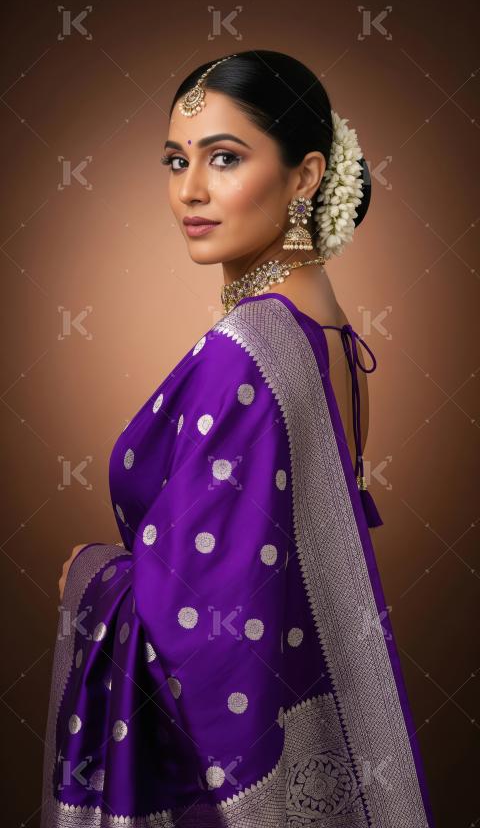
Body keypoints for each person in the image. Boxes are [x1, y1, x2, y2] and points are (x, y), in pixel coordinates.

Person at [41, 50, 436, 827]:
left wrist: (91, 580)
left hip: (223, 777)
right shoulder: (332, 338)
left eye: (224, 158)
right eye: (175, 160)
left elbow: (196, 616)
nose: (189, 190)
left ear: (306, 175)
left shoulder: (247, 352)